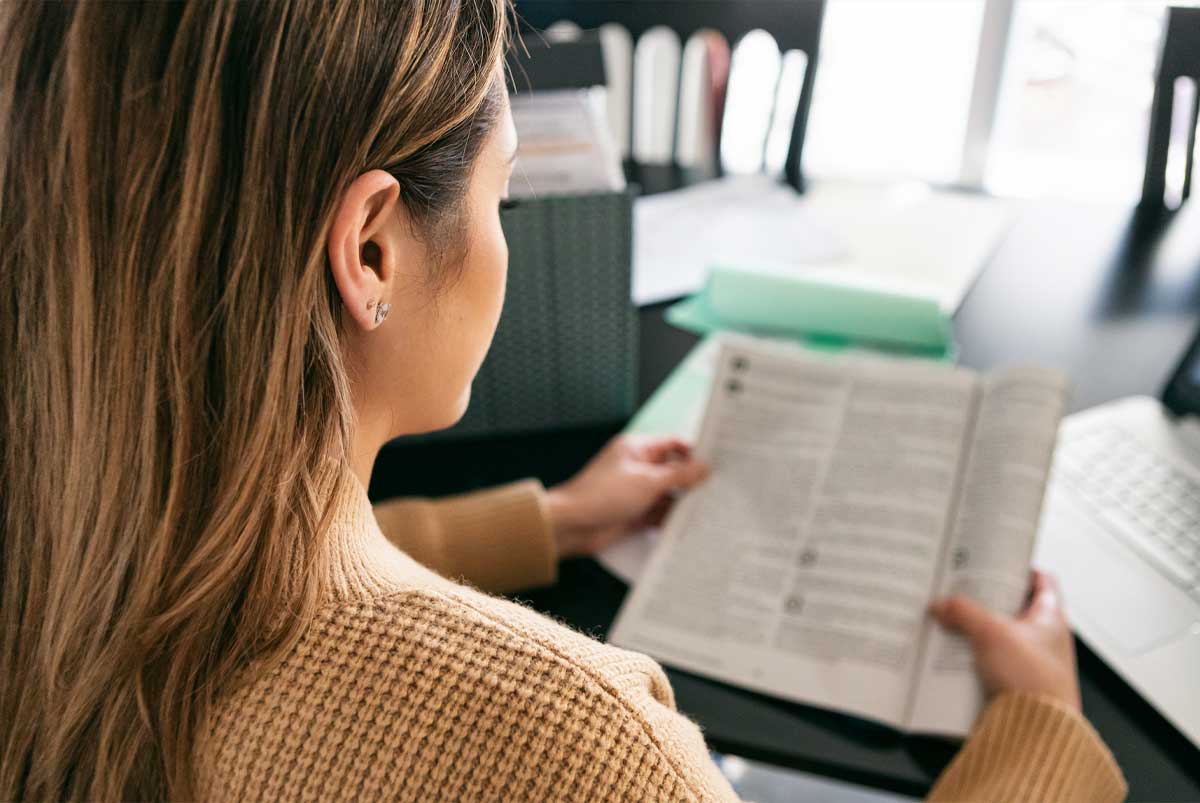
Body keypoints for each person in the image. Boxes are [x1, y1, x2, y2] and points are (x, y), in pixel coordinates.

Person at [0, 2, 1126, 801]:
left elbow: (240, 573)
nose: (506, 243)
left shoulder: (61, 560)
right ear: (374, 250)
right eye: (504, 194)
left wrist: (550, 521)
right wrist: (1042, 738)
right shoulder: (577, 745)